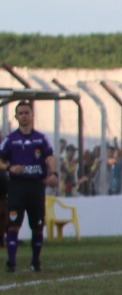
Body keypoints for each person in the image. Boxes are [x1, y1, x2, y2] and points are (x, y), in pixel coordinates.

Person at [1, 100, 59, 273]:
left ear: (32, 116)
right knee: (13, 225)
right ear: (16, 117)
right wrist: (10, 168)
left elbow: (50, 157)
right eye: (21, 113)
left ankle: (35, 261)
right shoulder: (10, 140)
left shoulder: (41, 139)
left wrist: (54, 174)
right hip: (17, 187)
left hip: (36, 187)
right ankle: (11, 262)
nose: (24, 116)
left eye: (27, 113)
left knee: (37, 225)